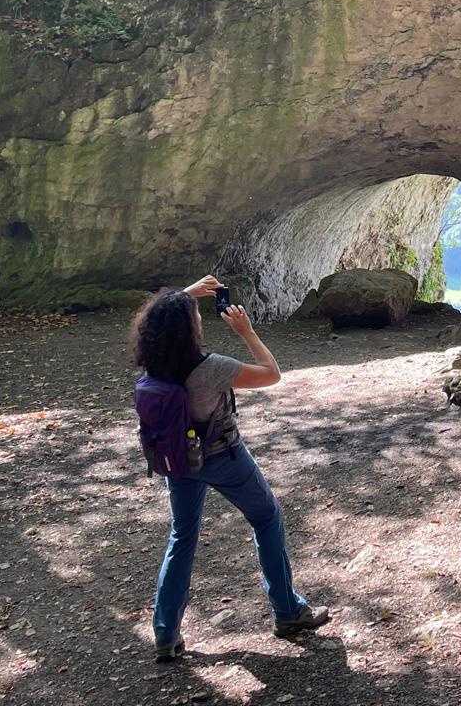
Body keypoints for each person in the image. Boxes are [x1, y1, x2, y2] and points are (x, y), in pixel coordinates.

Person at [130, 276, 331, 660]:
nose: (200, 323)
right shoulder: (212, 368)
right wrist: (247, 332)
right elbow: (271, 373)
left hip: (176, 461)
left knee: (182, 536)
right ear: (188, 331)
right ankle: (288, 612)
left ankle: (165, 633)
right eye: (195, 320)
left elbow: (156, 320)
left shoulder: (154, 361)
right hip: (223, 457)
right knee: (266, 517)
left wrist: (185, 296)